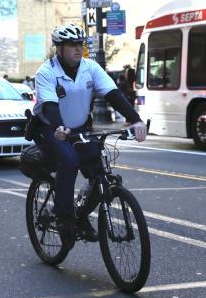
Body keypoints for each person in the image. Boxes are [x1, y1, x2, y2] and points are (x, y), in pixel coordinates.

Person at [31, 23, 147, 246]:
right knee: (70, 160)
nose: (78, 49)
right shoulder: (47, 72)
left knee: (99, 171)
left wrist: (136, 119)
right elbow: (49, 106)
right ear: (59, 48)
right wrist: (59, 126)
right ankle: (64, 216)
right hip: (51, 127)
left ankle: (81, 217)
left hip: (81, 127)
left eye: (80, 45)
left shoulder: (91, 68)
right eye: (72, 45)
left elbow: (113, 94)